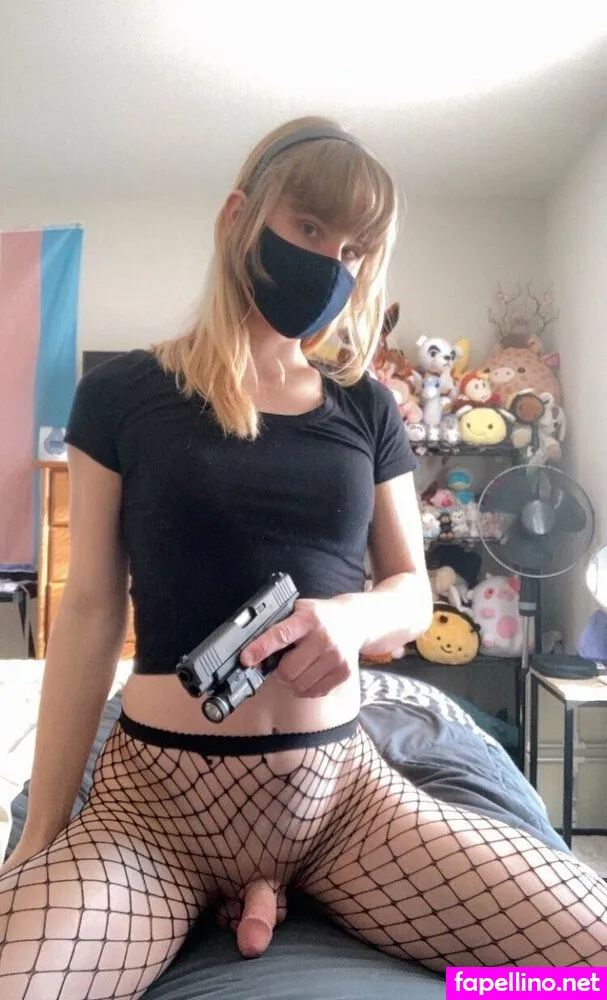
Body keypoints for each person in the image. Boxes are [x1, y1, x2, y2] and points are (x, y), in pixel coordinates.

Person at [1, 116, 606, 1000]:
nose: (331, 263)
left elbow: (409, 595)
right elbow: (92, 607)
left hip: (340, 808)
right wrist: (41, 829)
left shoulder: (366, 407)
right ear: (239, 218)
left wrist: (349, 617)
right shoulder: (120, 393)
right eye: (310, 227)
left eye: (354, 248)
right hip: (154, 814)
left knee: (588, 966)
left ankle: (453, 981)